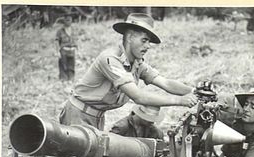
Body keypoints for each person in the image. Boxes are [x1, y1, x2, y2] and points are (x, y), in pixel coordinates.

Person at [59, 13, 197, 130]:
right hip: (77, 115)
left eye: (148, 42)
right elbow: (138, 97)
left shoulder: (137, 63)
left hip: (97, 116)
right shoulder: (110, 59)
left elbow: (165, 83)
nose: (148, 46)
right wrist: (180, 100)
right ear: (130, 37)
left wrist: (194, 92)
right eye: (144, 40)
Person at [55, 14, 77, 81]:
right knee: (63, 66)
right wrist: (57, 51)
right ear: (64, 21)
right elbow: (56, 41)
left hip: (72, 50)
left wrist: (77, 49)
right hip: (64, 50)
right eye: (67, 20)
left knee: (71, 66)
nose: (68, 21)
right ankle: (63, 80)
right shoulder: (60, 31)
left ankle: (71, 79)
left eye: (70, 20)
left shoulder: (73, 30)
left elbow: (75, 40)